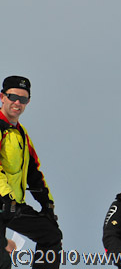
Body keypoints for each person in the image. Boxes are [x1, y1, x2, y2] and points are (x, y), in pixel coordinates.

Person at [0, 75, 62, 268]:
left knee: (51, 234)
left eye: (23, 99)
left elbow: (34, 173)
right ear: (2, 97)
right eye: (12, 97)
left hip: (11, 207)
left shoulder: (22, 134)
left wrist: (47, 203)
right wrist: (5, 197)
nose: (17, 103)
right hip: (3, 202)